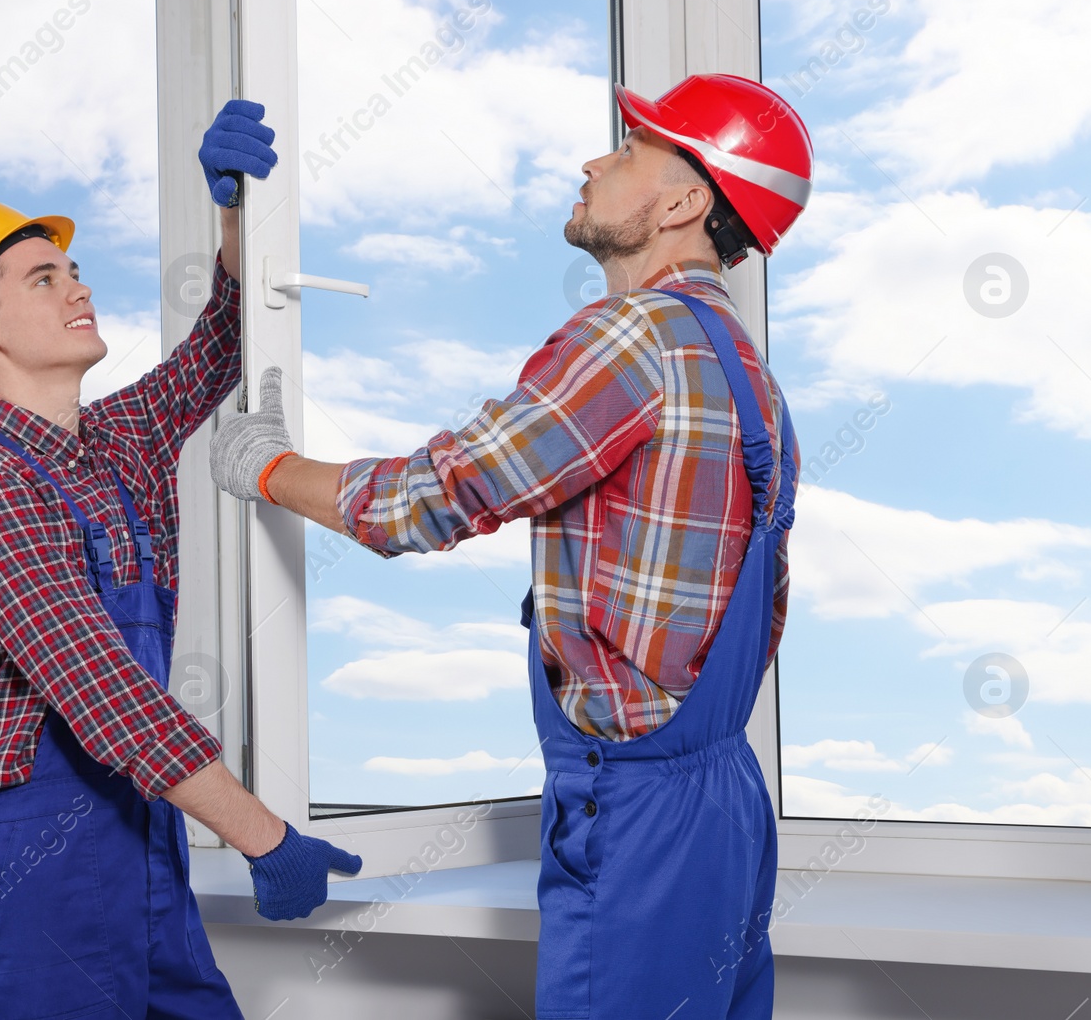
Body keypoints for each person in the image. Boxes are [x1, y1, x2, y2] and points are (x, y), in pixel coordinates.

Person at [209, 76, 811, 1019]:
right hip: (729, 804)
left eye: (627, 151)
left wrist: (269, 467)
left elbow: (432, 498)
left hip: (641, 817)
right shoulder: (746, 371)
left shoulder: (632, 338)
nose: (593, 161)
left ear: (685, 202)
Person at [0, 100, 360, 1020]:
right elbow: (109, 696)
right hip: (31, 876)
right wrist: (268, 839)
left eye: (75, 270)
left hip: (140, 842)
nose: (78, 288)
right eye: (42, 278)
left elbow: (221, 343)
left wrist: (236, 214)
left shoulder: (119, 440)